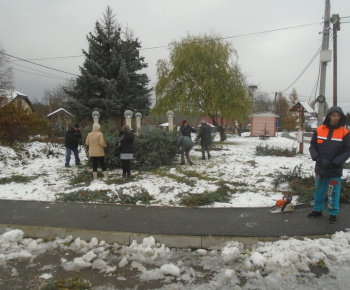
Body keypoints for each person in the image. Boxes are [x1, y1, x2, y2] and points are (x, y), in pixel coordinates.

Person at [308, 106, 350, 224]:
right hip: (320, 167)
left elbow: (348, 150)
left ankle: (333, 214)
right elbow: (313, 146)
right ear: (329, 116)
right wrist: (316, 157)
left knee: (333, 192)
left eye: (338, 116)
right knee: (319, 190)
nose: (336, 118)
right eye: (334, 115)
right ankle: (317, 210)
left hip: (334, 169)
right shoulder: (319, 130)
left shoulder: (345, 132)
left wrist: (337, 161)